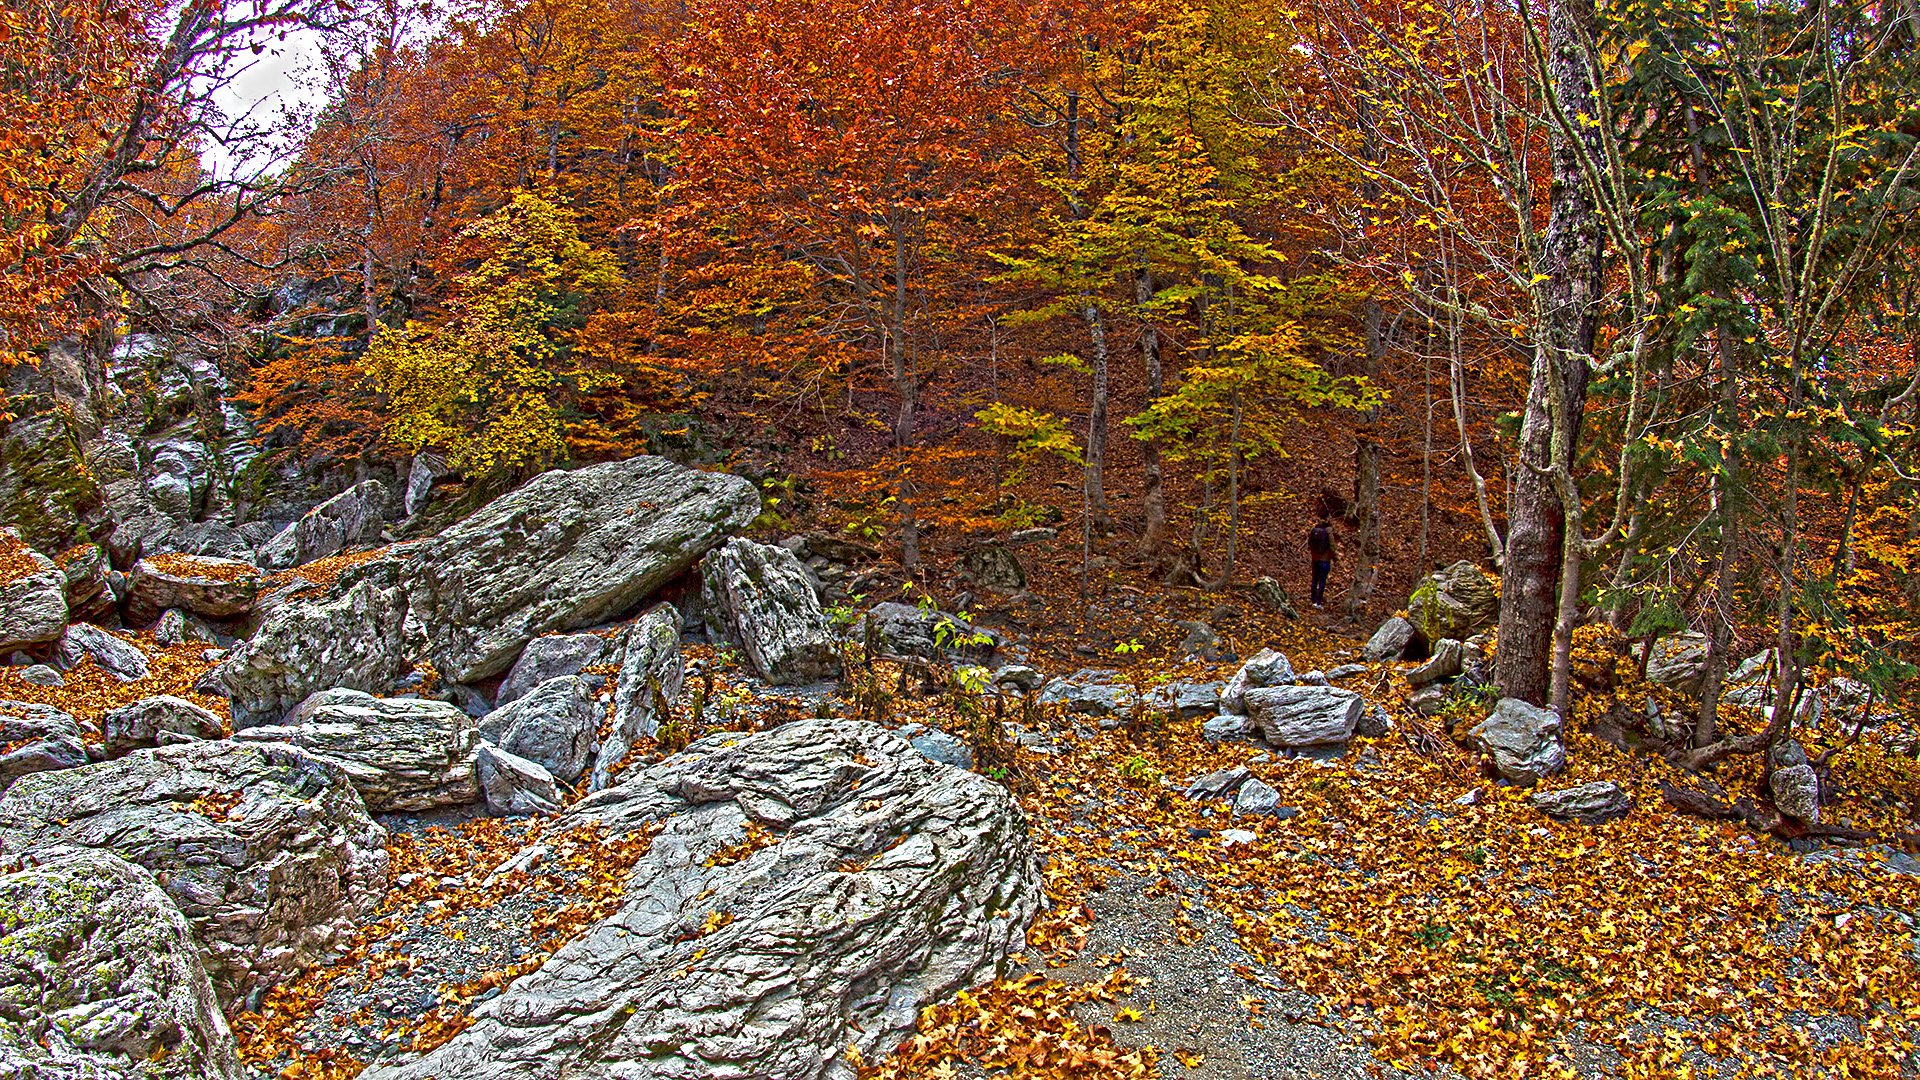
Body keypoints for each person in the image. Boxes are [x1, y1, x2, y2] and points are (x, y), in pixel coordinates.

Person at [1307, 517, 1334, 607]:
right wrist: (1335, 558)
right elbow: (1332, 546)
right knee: (1322, 581)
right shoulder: (1328, 531)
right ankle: (1318, 603)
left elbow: (1309, 543)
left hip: (1315, 559)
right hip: (1324, 561)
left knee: (1314, 580)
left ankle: (1313, 600)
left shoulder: (1314, 530)